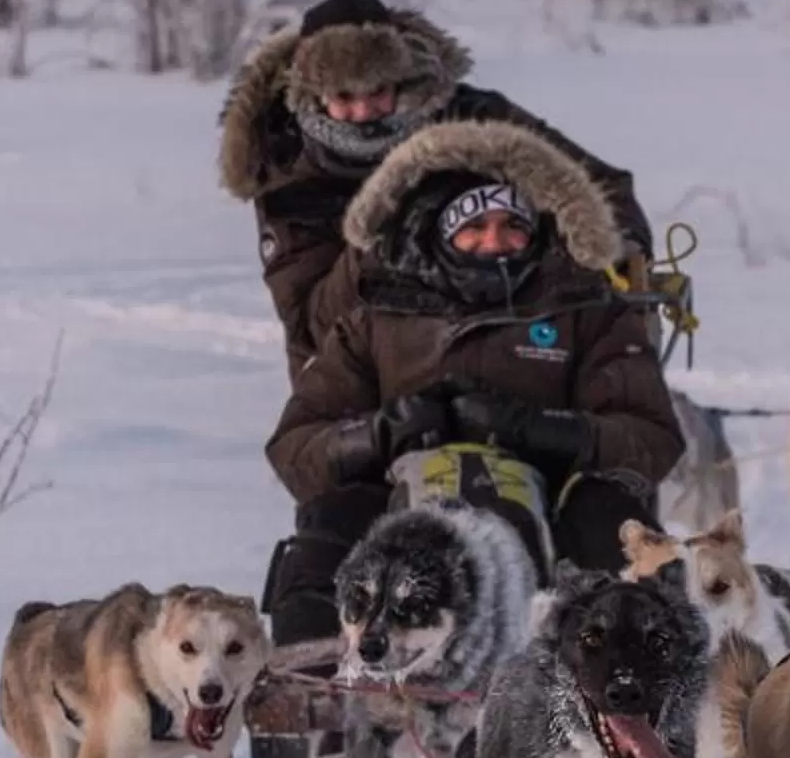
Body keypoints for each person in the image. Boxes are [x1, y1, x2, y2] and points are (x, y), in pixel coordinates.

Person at [261, 120, 685, 649]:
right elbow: (298, 447)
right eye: (473, 226)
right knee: (332, 519)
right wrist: (382, 433)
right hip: (395, 492)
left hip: (554, 497)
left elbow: (650, 435)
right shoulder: (377, 316)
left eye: (513, 225)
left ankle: (642, 677)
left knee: (616, 523)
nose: (495, 241)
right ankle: (311, 687)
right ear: (438, 231)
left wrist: (547, 432)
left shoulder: (586, 307)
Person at [218, 0, 654, 373]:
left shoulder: (471, 114)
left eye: (378, 91)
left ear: (402, 80)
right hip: (355, 370)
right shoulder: (286, 167)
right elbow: (309, 324)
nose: (365, 111)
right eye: (345, 98)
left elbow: (597, 183)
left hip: (506, 329)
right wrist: (379, 240)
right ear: (311, 96)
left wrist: (618, 253)